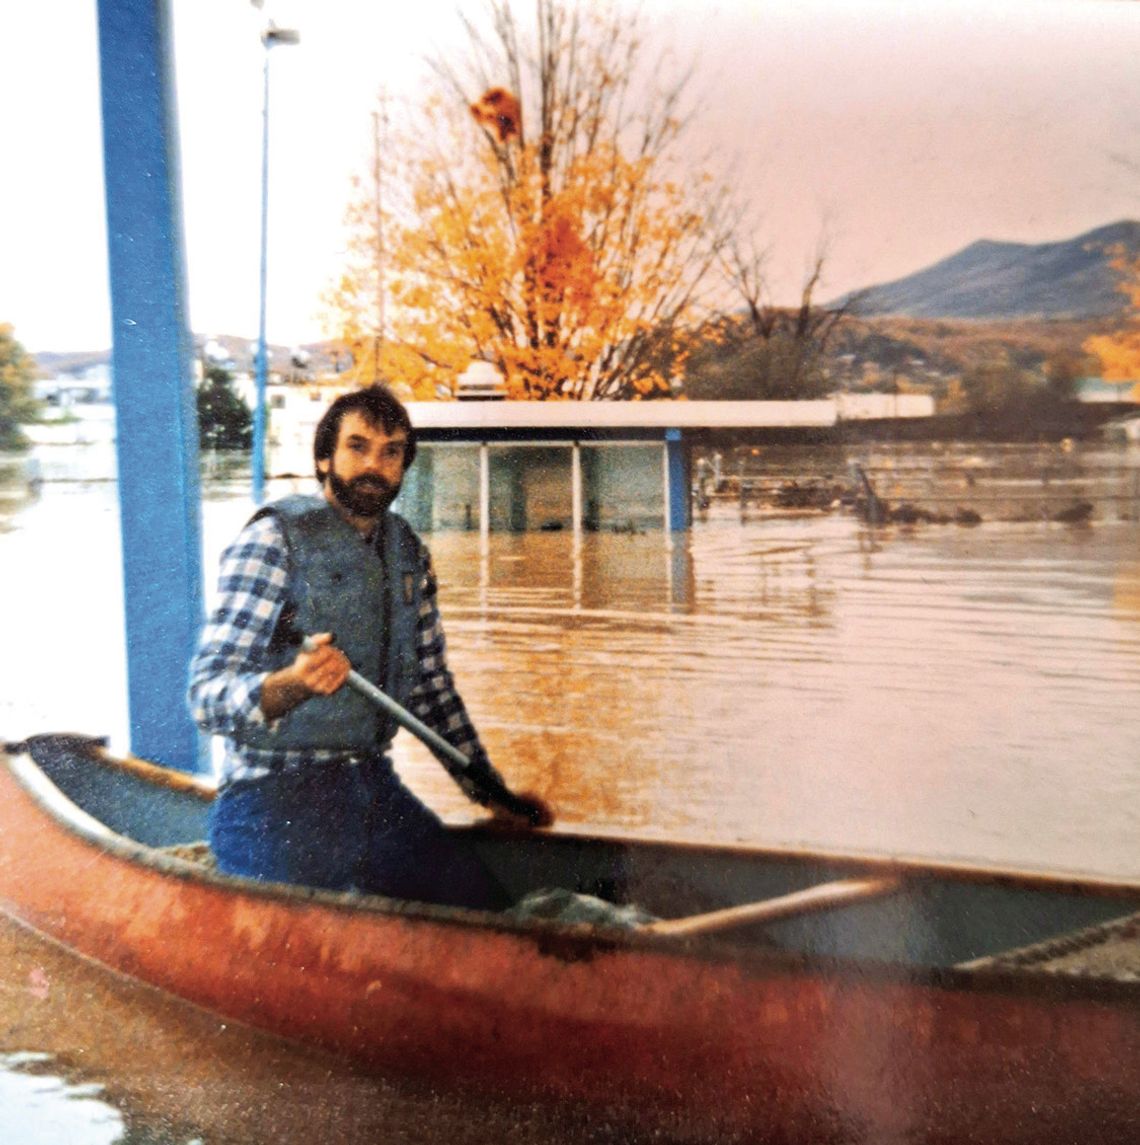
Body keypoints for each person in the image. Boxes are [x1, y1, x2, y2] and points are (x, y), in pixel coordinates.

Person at [188, 384, 552, 909]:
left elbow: (429, 689)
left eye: (391, 452)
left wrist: (491, 793)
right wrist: (288, 686)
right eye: (357, 447)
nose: (374, 466)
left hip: (371, 792)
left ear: (405, 467)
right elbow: (207, 697)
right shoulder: (271, 542)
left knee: (489, 912)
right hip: (270, 801)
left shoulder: (408, 553)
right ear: (323, 458)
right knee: (303, 953)